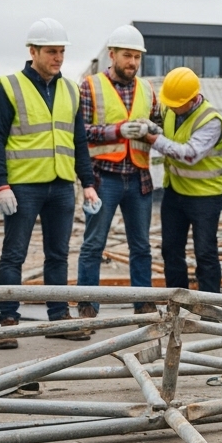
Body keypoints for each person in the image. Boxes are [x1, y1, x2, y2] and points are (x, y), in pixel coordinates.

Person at [0, 18, 100, 349]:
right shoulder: (10, 87)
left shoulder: (69, 90)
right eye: (51, 51)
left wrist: (87, 183)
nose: (58, 58)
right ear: (32, 51)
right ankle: (8, 322)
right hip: (23, 186)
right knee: (14, 254)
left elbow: (78, 140)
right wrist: (1, 184)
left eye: (62, 51)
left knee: (58, 255)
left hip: (62, 185)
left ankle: (58, 316)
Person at [75, 24, 163, 316]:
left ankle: (144, 303)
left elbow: (158, 126)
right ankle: (88, 305)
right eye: (128, 56)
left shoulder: (149, 89)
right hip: (104, 178)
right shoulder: (90, 86)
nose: (133, 63)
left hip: (139, 178)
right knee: (94, 244)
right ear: (112, 55)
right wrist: (118, 130)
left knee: (141, 246)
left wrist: (152, 129)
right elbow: (81, 131)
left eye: (137, 57)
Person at [151, 67, 222, 295]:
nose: (172, 107)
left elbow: (190, 154)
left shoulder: (210, 120)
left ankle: (209, 305)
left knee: (205, 252)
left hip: (205, 196)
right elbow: (160, 124)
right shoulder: (170, 108)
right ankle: (178, 302)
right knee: (171, 250)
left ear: (193, 99)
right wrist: (149, 127)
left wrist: (153, 138)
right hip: (175, 192)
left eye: (177, 103)